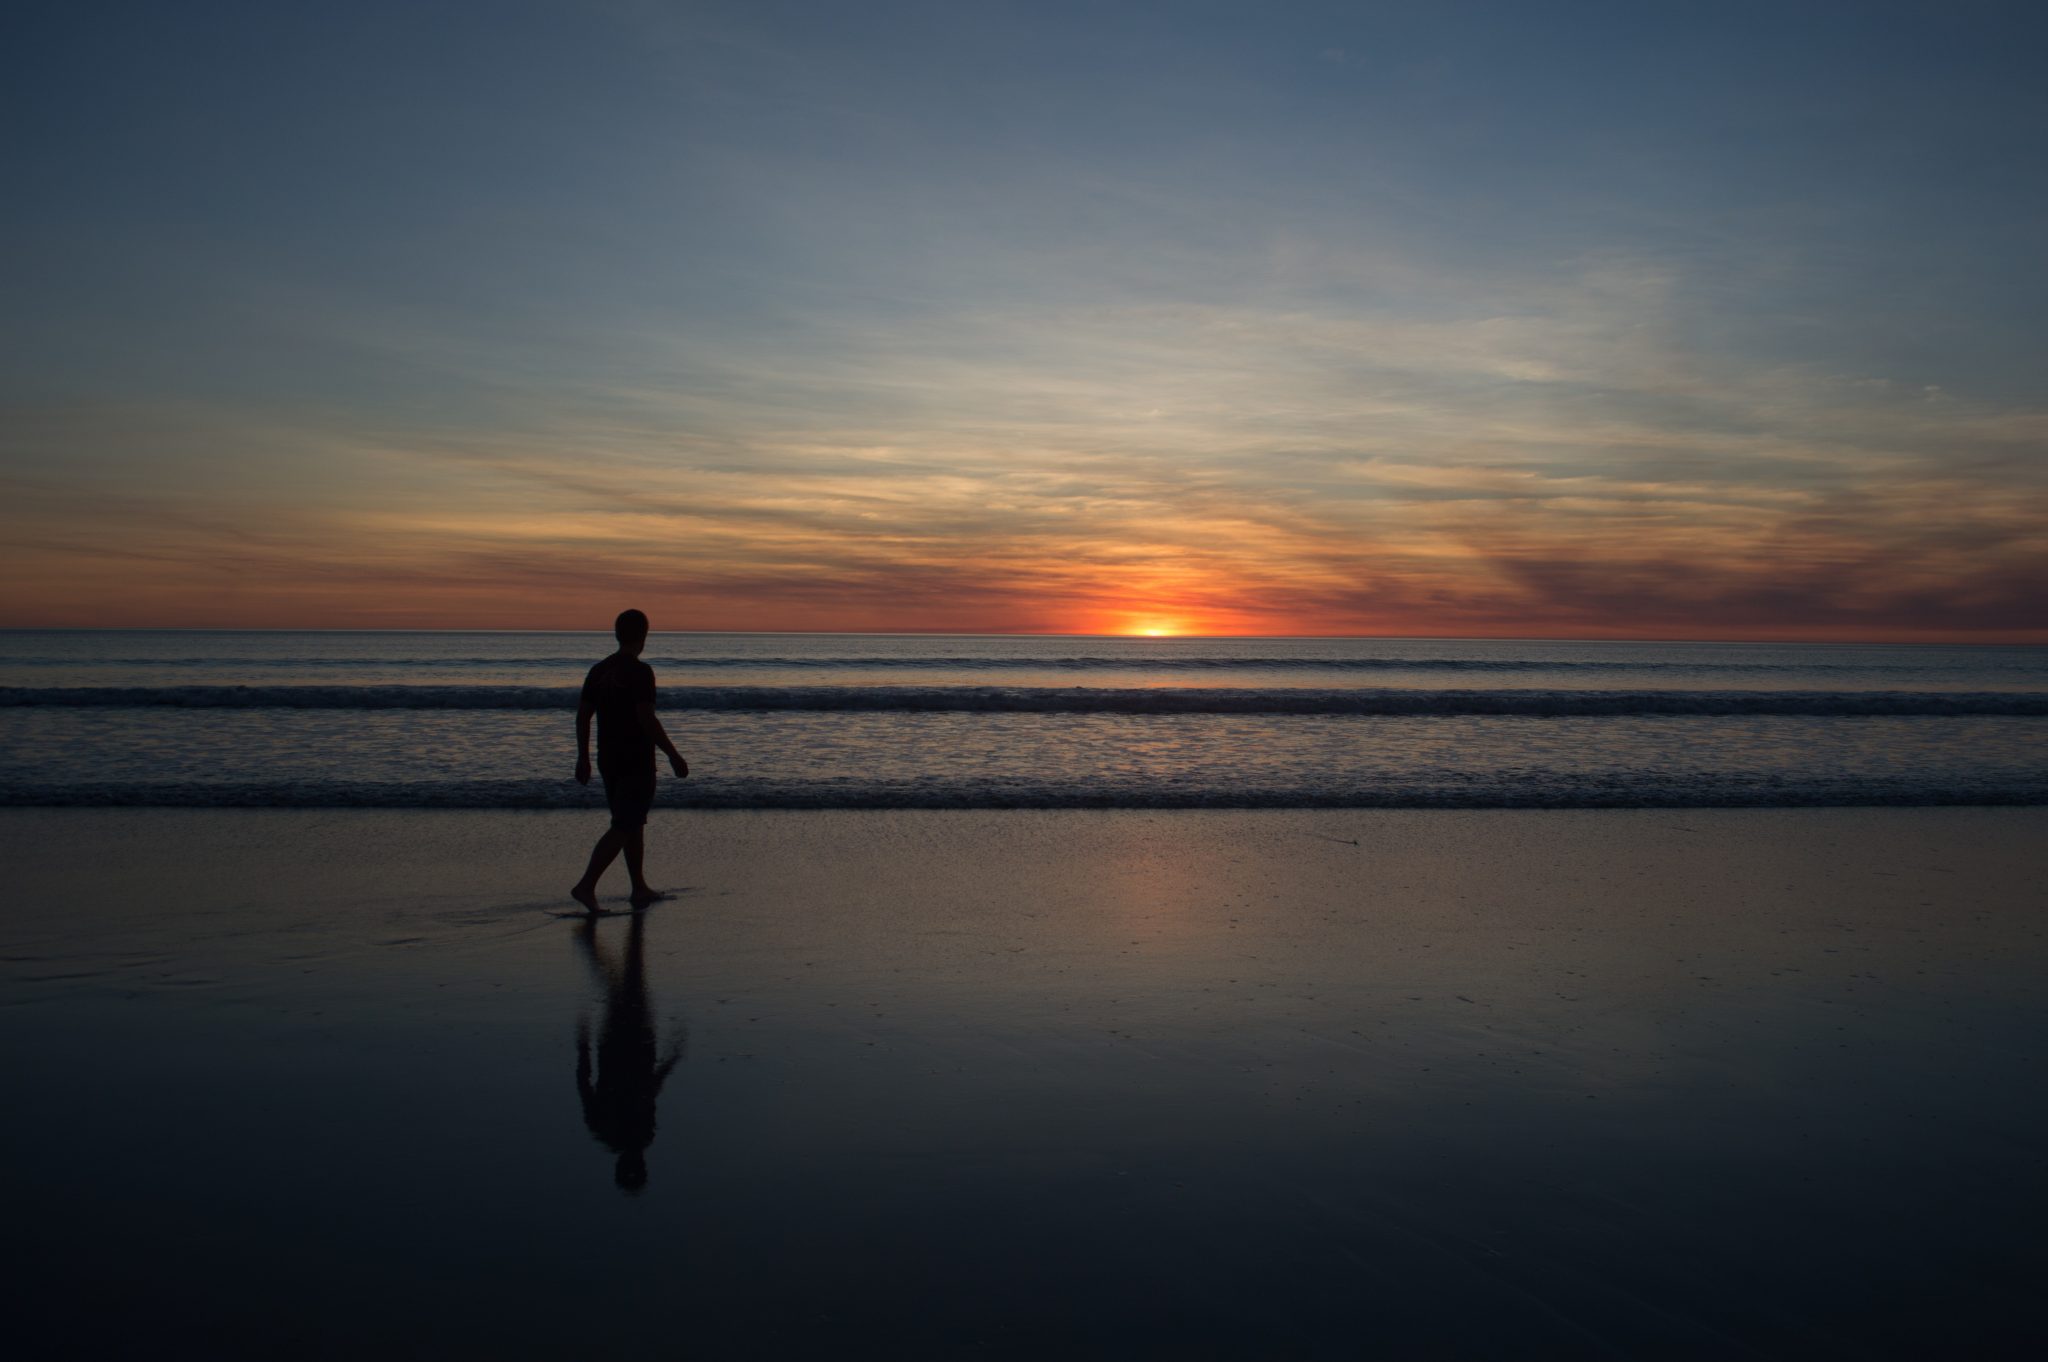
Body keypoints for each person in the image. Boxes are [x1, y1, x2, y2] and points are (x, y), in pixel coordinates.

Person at [571, 609, 687, 910]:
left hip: (607, 757)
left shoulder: (598, 670)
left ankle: (639, 887)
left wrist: (582, 757)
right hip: (636, 758)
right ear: (644, 636)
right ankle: (586, 885)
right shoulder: (640, 672)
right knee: (625, 823)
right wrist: (673, 754)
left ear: (617, 633)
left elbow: (583, 716)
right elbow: (646, 718)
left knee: (632, 822)